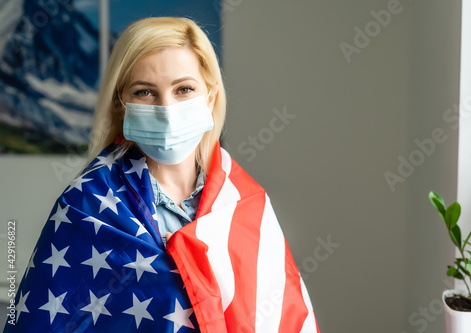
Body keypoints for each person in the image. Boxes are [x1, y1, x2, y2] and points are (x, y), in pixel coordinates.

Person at [6, 17, 319, 332]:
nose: (167, 109)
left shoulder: (245, 202)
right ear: (121, 104)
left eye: (184, 89)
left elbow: (284, 316)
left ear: (209, 98)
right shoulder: (85, 204)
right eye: (145, 92)